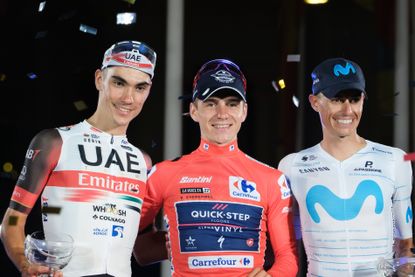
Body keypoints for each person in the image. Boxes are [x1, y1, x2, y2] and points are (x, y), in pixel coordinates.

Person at [0, 40, 157, 277]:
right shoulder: (54, 142)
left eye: (140, 88)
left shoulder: (143, 161)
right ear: (99, 80)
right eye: (118, 82)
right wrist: (24, 263)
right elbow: (12, 221)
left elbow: (143, 246)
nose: (128, 98)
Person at [134, 59, 298, 276]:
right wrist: (172, 241)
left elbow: (288, 256)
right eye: (211, 103)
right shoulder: (164, 174)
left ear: (244, 111)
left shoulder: (271, 179)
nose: (222, 113)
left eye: (231, 103)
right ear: (193, 110)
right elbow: (130, 243)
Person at [278, 57, 414, 276]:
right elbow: (286, 247)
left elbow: (405, 243)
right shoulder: (291, 166)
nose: (347, 110)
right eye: (337, 99)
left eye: (355, 98)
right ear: (314, 102)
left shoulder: (394, 159)